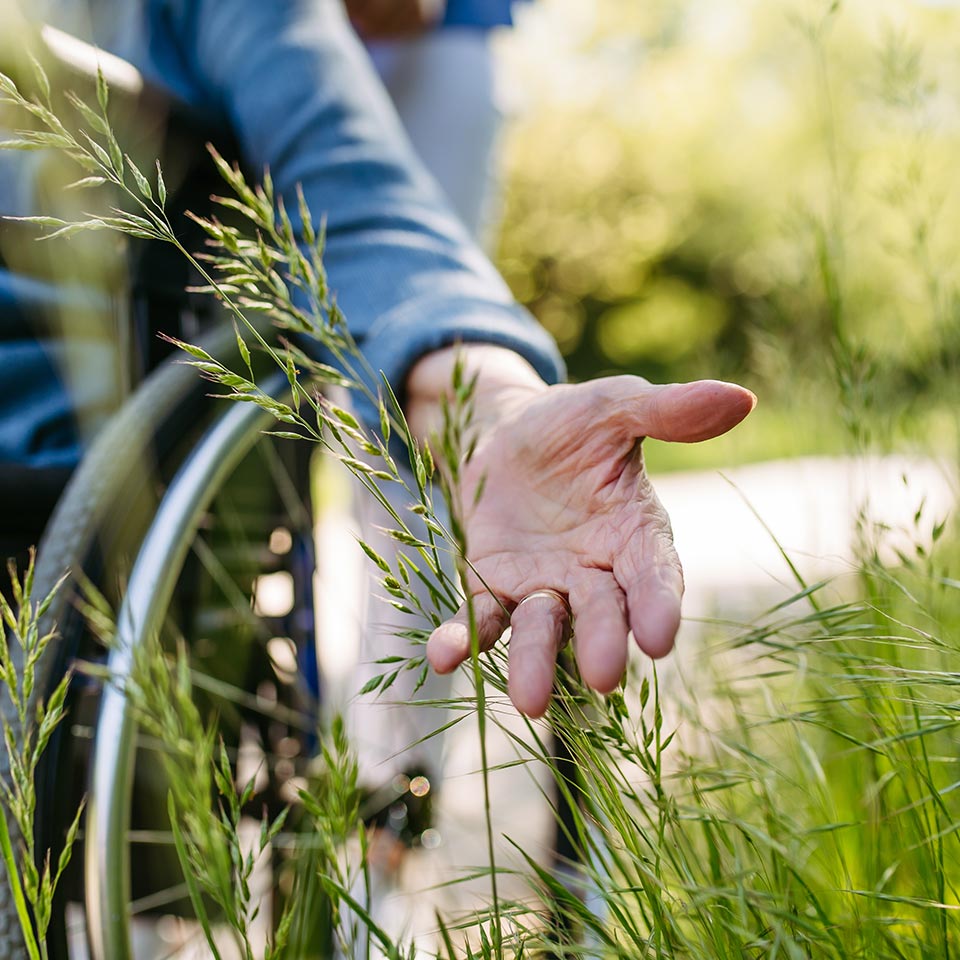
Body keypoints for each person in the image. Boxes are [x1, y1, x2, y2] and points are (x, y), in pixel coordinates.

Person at [0, 0, 754, 721]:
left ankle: (403, 798)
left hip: (63, 478)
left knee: (410, 510)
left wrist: (491, 409)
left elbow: (357, 206)